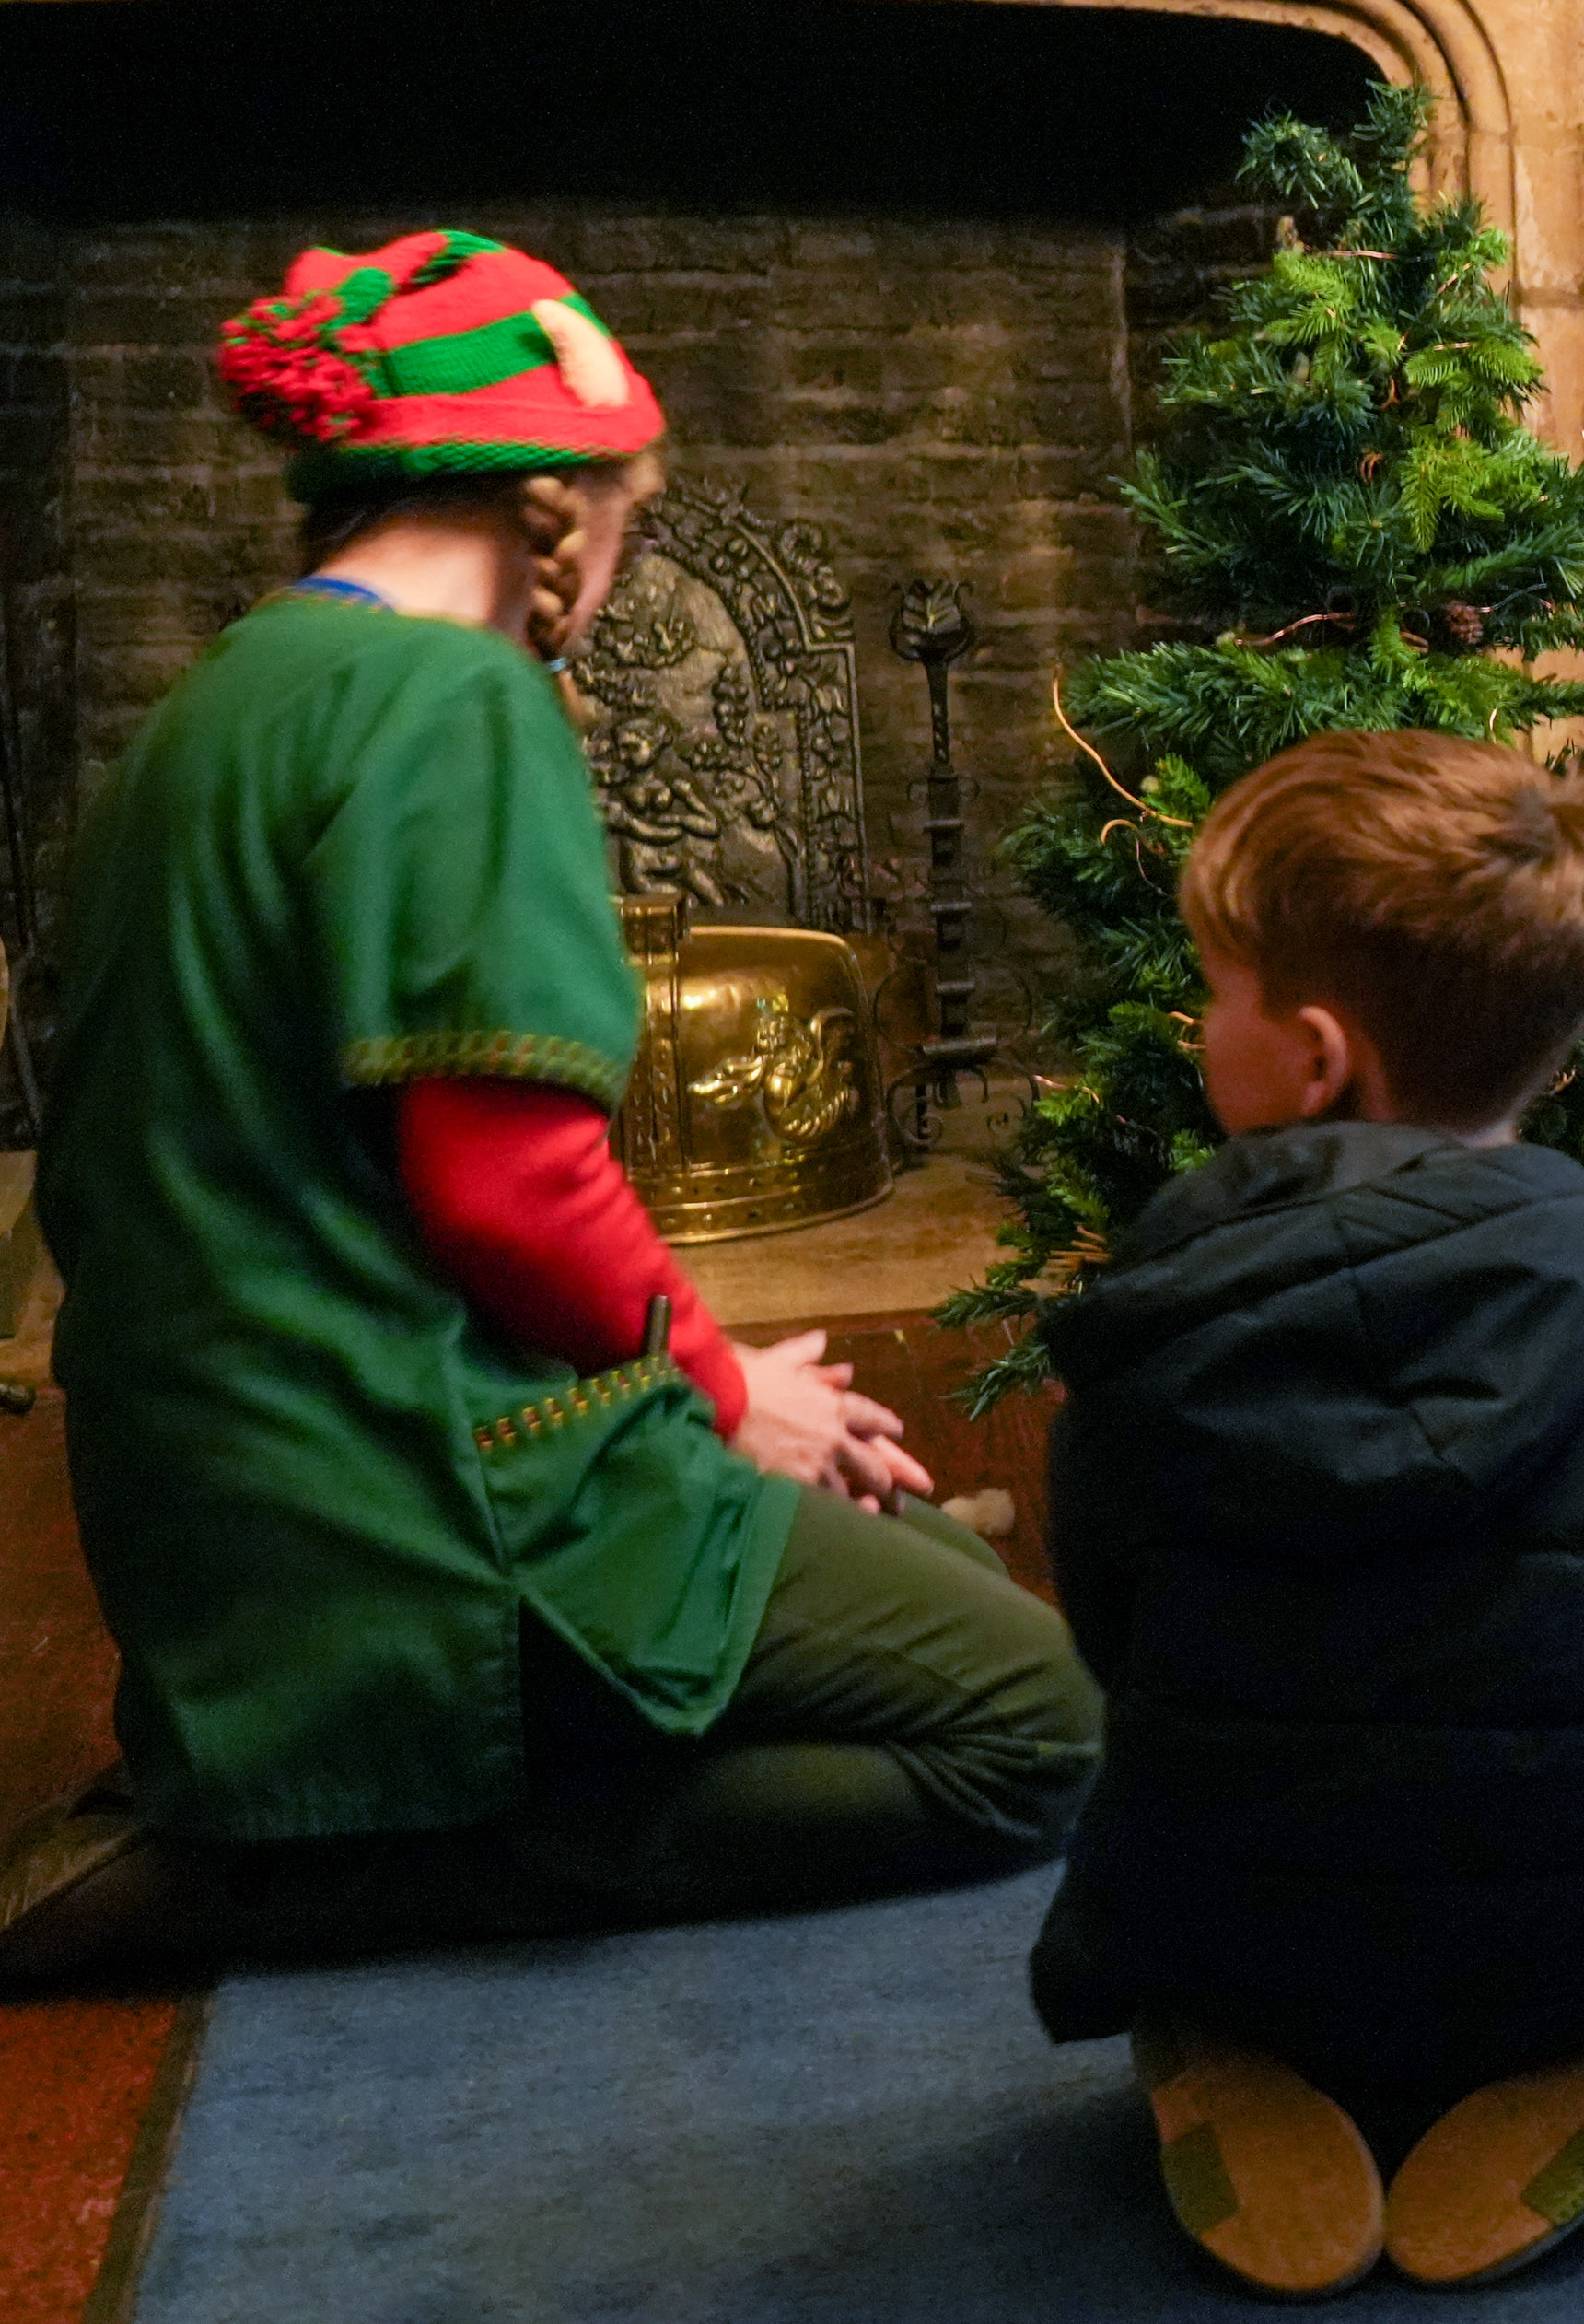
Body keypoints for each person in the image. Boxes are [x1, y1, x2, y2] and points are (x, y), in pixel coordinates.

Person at [0, 231, 1097, 1985]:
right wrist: (726, 1387)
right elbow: (505, 1185)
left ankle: (699, 1626)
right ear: (552, 506)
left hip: (230, 1493)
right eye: (633, 507)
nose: (626, 545)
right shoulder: (459, 701)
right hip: (412, 1489)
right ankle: (307, 1870)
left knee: (933, 1587)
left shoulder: (228, 696)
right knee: (1036, 1725)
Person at [1027, 730, 1584, 2297]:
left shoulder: (1146, 1311)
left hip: (1234, 1897)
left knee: (1178, 1846)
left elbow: (1119, 1640)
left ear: (1317, 1058)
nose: (1199, 1023)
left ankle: (1245, 2030)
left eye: (1216, 986)